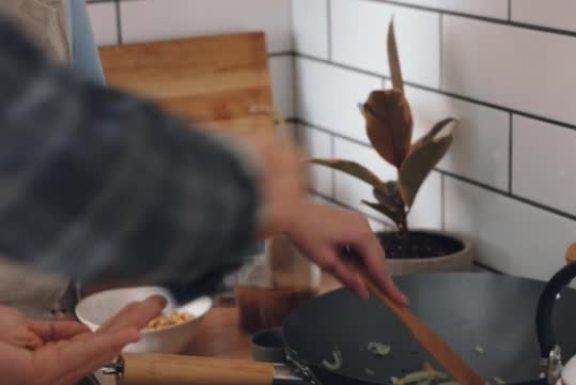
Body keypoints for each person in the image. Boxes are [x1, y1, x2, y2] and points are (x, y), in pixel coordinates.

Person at [0, 4, 407, 385]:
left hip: (30, 336)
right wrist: (252, 191)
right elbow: (57, 153)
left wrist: (278, 210)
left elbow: (87, 135)